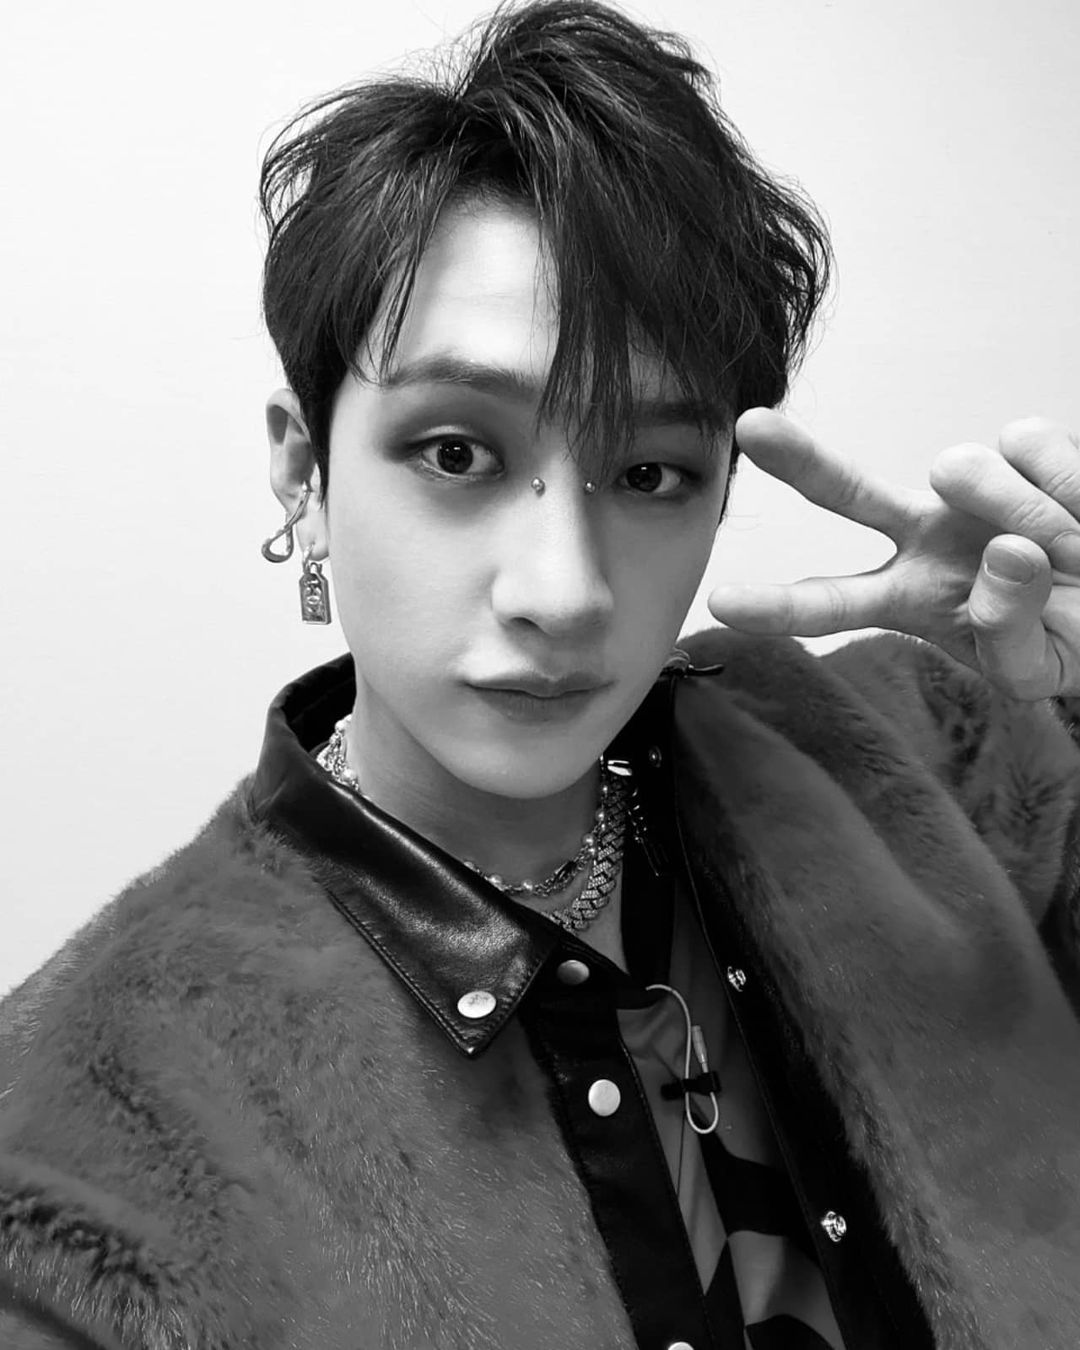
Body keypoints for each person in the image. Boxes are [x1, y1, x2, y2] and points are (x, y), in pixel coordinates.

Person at [2, 1, 1079, 1345]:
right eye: (457, 452)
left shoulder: (923, 759)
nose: (564, 592)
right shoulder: (82, 1140)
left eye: (650, 472)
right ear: (304, 470)